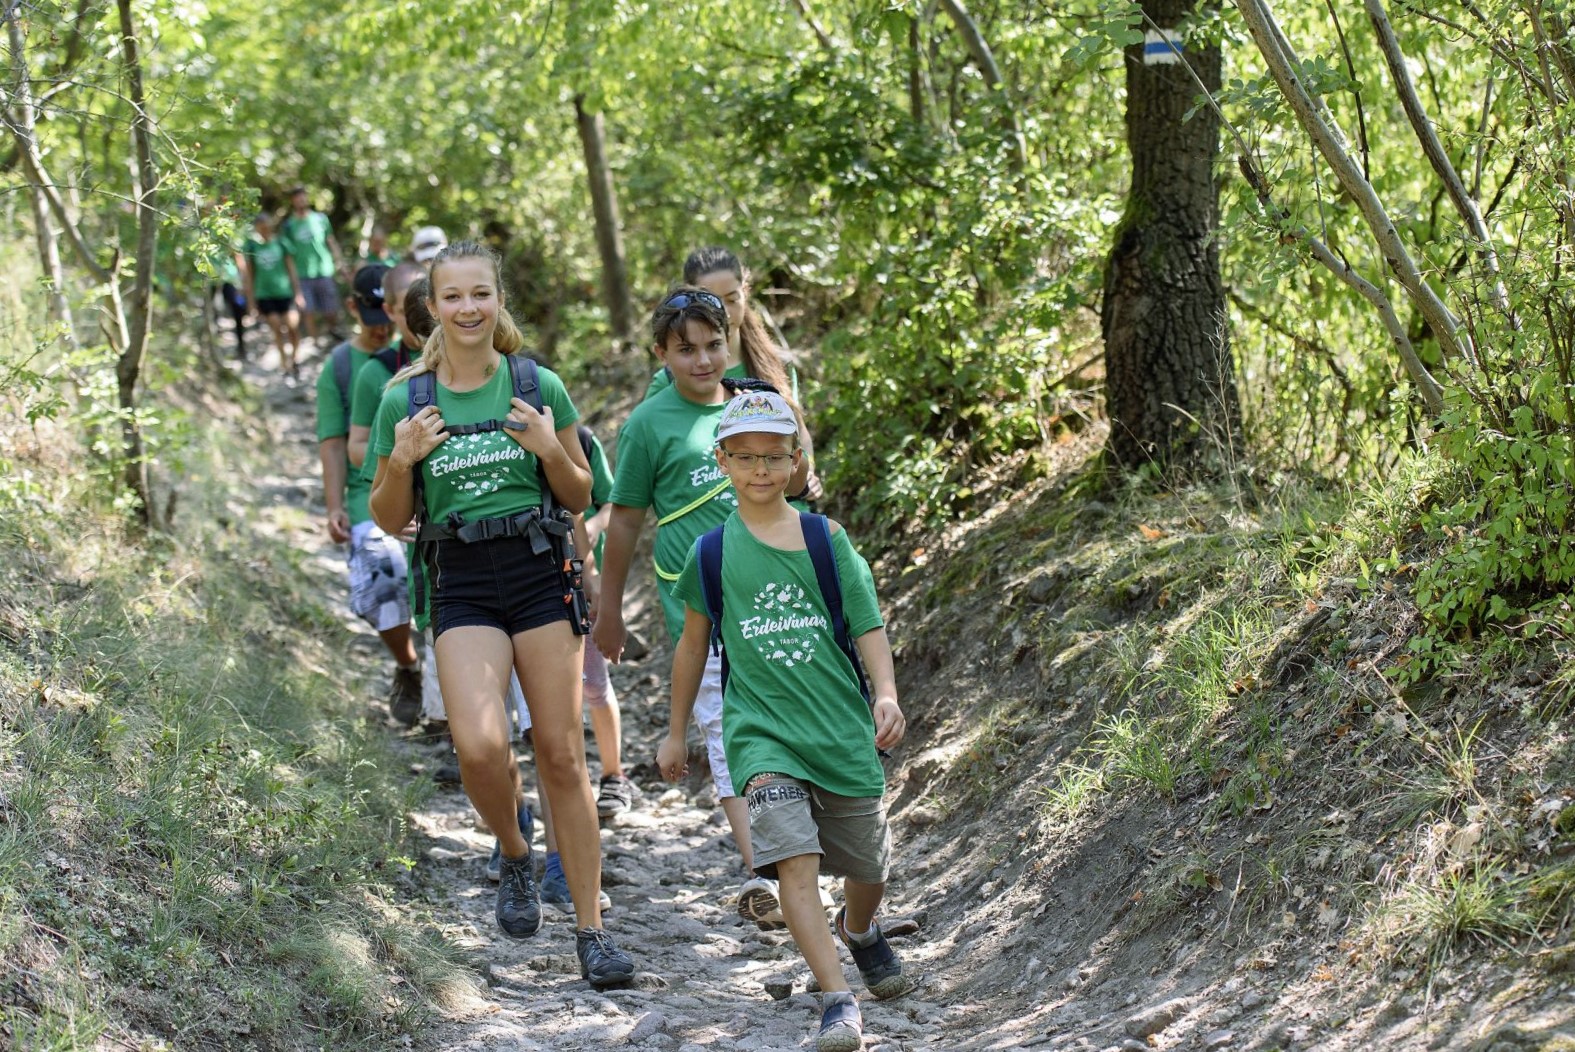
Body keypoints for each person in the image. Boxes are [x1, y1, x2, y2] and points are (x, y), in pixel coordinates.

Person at [367, 240, 634, 987]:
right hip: (461, 582)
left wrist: (551, 448)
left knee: (559, 753)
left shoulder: (536, 382)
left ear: (497, 299)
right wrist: (402, 460)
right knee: (480, 749)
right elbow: (390, 518)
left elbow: (581, 495)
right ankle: (516, 855)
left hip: (535, 570)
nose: (468, 309)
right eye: (452, 297)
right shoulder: (406, 400)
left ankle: (591, 930)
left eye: (479, 294)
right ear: (434, 307)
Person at [658, 389, 912, 1051]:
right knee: (794, 863)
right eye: (743, 457)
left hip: (838, 727)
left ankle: (860, 931)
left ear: (796, 460)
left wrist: (884, 692)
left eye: (773, 456)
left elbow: (866, 622)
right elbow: (692, 645)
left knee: (868, 866)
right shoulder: (710, 554)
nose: (759, 470)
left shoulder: (826, 540)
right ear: (722, 461)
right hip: (760, 732)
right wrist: (675, 727)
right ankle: (837, 1000)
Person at [594, 287, 810, 929]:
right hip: (703, 610)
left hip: (776, 600)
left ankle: (801, 856)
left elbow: (794, 482)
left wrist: (783, 436)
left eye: (714, 344)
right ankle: (765, 876)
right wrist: (610, 609)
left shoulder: (752, 404)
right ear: (660, 352)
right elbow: (627, 521)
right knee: (724, 732)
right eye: (685, 349)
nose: (703, 359)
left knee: (791, 725)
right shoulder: (648, 424)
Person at [315, 264, 423, 723]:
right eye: (374, 315)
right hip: (369, 491)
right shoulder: (344, 369)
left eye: (390, 315)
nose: (382, 327)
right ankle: (408, 664)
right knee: (382, 575)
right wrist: (335, 504)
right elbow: (336, 444)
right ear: (357, 309)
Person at [646, 247, 823, 502]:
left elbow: (799, 431)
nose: (725, 312)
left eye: (732, 299)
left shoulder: (776, 363)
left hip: (785, 513)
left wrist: (808, 473)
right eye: (712, 300)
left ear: (745, 293)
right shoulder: (669, 380)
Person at [280, 186, 346, 345]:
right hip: (302, 275)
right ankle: (315, 342)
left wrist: (341, 264)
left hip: (324, 270)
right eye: (297, 198)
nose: (301, 200)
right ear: (293, 201)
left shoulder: (320, 219)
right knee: (307, 311)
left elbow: (331, 241)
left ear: (307, 198)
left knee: (330, 309)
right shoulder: (289, 226)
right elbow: (288, 256)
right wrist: (293, 282)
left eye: (303, 197)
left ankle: (332, 331)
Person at [239, 213, 302, 379]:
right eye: (261, 226)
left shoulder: (282, 243)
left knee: (293, 327)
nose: (264, 229)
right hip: (265, 295)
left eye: (266, 225)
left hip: (285, 293)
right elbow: (249, 276)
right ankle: (284, 362)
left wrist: (298, 293)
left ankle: (295, 359)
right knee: (276, 328)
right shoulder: (252, 247)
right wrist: (251, 302)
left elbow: (292, 270)